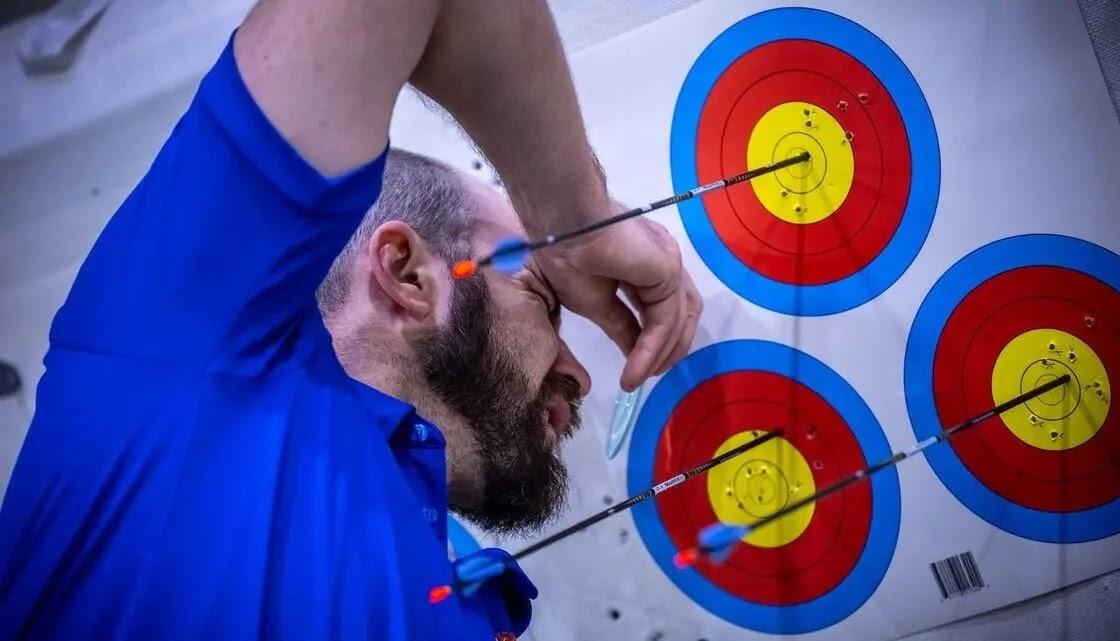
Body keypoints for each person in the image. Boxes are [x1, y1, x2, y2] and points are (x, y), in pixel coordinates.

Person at [0, 1, 702, 640]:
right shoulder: (171, 350)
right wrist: (576, 221)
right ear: (404, 272)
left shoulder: (472, 604)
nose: (578, 373)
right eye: (544, 300)